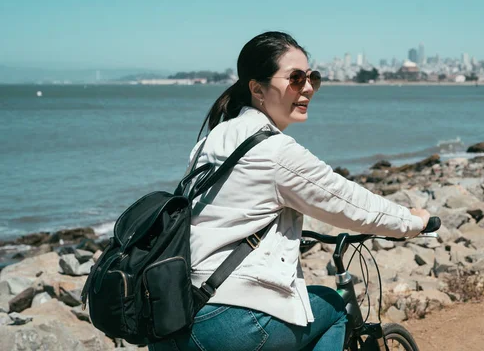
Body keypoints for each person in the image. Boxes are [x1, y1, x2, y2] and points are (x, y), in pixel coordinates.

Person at [148, 31, 431, 351]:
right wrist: (412, 221)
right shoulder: (275, 151)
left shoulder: (213, 139)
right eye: (296, 78)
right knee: (333, 305)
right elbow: (348, 202)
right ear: (257, 88)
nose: (308, 87)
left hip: (174, 319)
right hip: (228, 324)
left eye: (313, 78)